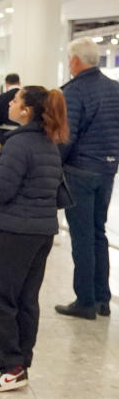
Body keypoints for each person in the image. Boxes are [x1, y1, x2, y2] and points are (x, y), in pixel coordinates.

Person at [0, 85, 70, 391]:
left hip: (15, 231)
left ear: (25, 110)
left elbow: (1, 190)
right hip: (41, 231)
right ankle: (20, 363)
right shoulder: (48, 142)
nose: (10, 103)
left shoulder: (18, 143)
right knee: (26, 299)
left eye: (15, 100)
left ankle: (10, 366)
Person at [57, 36, 119, 319]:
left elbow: (68, 135)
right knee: (98, 233)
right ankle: (102, 299)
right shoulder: (114, 89)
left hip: (80, 171)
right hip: (106, 171)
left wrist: (54, 164)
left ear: (75, 61)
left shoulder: (74, 91)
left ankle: (85, 301)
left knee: (82, 236)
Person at [0, 72, 21, 146]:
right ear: (19, 82)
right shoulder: (26, 97)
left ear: (6, 84)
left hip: (3, 133)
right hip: (21, 132)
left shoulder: (0, 98)